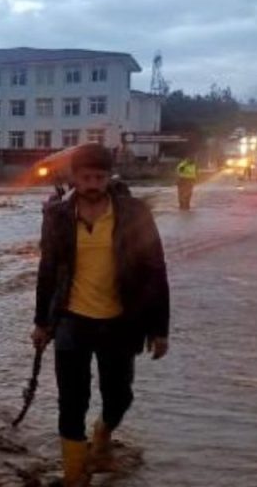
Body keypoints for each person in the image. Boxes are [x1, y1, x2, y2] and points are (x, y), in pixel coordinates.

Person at [32, 143, 170, 486]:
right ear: (74, 178)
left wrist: (159, 328)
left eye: (99, 177)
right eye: (86, 177)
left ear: (109, 177)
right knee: (71, 403)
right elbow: (47, 270)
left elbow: (155, 271)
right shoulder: (57, 216)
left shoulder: (134, 213)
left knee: (119, 397)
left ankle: (104, 431)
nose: (93, 183)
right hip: (71, 322)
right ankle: (74, 476)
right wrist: (40, 322)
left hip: (121, 322)